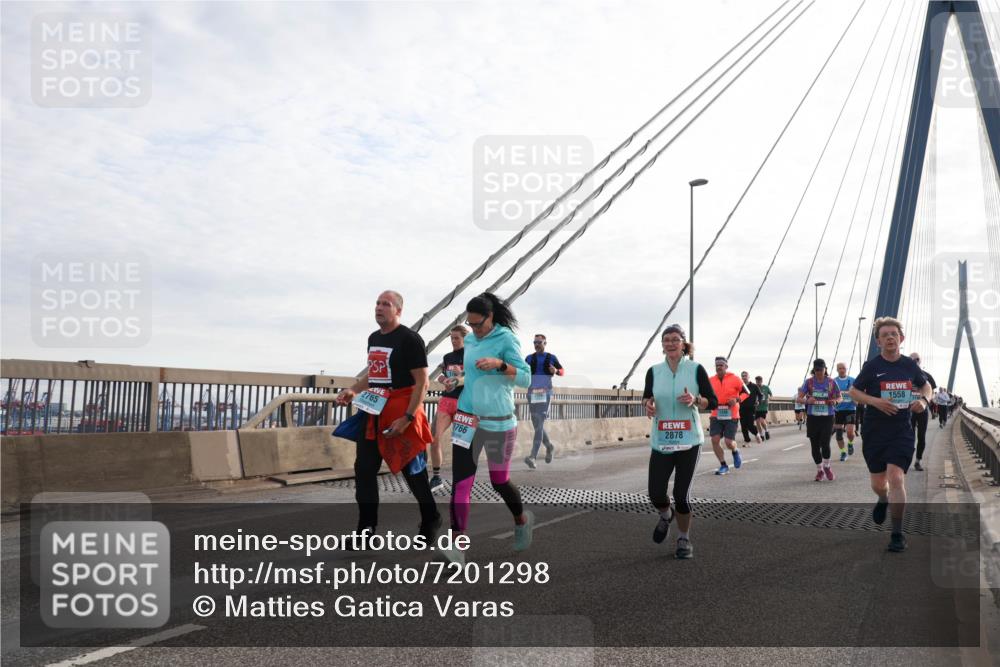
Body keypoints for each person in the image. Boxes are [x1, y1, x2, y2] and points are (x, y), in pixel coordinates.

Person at [335, 290, 441, 541]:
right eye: (377, 303)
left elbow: (422, 383)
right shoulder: (373, 338)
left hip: (401, 413)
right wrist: (353, 390)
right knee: (364, 470)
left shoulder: (410, 339)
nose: (379, 307)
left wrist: (407, 418)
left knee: (413, 473)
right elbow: (374, 374)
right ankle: (366, 530)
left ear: (398, 311)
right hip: (374, 414)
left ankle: (431, 518)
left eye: (386, 304)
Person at [445, 293, 534, 565]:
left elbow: (526, 378)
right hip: (467, 418)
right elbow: (472, 375)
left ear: (490, 317)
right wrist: (457, 380)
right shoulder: (471, 340)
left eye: (479, 325)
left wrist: (500, 365)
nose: (474, 331)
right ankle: (457, 546)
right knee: (461, 483)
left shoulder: (506, 339)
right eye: (470, 325)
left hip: (498, 422)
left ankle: (521, 520)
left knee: (499, 481)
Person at [848, 316, 932, 553]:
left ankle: (897, 533)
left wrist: (924, 401)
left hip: (901, 431)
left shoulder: (909, 365)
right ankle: (883, 499)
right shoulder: (872, 367)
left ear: (901, 338)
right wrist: (876, 402)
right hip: (875, 432)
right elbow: (853, 392)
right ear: (878, 341)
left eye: (893, 334)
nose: (890, 338)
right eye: (884, 335)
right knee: (879, 483)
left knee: (896, 478)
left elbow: (926, 386)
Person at [642, 324, 718, 559]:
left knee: (681, 495)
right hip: (662, 440)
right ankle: (666, 516)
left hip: (689, 441)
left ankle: (683, 539)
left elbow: (712, 401)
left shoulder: (696, 369)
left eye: (675, 339)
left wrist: (695, 399)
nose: (671, 343)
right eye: (666, 340)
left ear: (684, 344)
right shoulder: (653, 371)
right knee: (655, 493)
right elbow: (647, 396)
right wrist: (648, 404)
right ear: (662, 345)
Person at [430, 325, 468, 490]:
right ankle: (436, 477)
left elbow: (467, 376)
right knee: (434, 438)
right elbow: (443, 375)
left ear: (465, 339)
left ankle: (461, 480)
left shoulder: (470, 356)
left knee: (460, 445)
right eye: (451, 338)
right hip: (446, 401)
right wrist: (442, 379)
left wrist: (456, 380)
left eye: (456, 338)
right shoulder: (447, 357)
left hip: (463, 403)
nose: (453, 341)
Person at [524, 334, 565, 469]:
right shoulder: (529, 358)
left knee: (540, 423)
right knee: (537, 426)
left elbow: (562, 371)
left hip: (545, 394)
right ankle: (549, 446)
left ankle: (532, 457)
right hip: (532, 394)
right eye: (534, 342)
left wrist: (556, 371)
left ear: (545, 343)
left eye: (539, 342)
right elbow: (523, 372)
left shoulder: (551, 357)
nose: (536, 344)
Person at [798, 360, 840, 481]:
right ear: (814, 370)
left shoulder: (831, 382)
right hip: (813, 417)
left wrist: (835, 401)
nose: (819, 372)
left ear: (825, 369)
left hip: (828, 417)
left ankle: (827, 466)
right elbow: (799, 399)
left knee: (825, 442)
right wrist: (807, 401)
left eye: (821, 370)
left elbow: (840, 397)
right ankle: (820, 470)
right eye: (816, 370)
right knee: (815, 445)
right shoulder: (809, 382)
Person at [708, 356, 747, 475]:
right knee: (715, 440)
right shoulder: (710, 380)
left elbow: (747, 392)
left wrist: (738, 399)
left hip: (732, 413)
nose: (719, 367)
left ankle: (735, 450)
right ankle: (723, 465)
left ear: (726, 366)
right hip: (716, 412)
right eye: (717, 365)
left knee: (729, 442)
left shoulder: (735, 379)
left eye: (721, 365)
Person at [907, 352, 937, 471]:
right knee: (909, 436)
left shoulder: (927, 376)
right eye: (911, 359)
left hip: (922, 410)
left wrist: (926, 401)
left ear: (920, 361)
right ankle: (907, 459)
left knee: (921, 436)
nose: (914, 361)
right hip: (909, 409)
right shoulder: (905, 374)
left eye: (917, 359)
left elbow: (932, 392)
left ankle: (918, 461)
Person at [832, 362, 858, 462]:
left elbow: (857, 393)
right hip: (838, 410)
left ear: (846, 369)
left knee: (850, 433)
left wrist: (855, 399)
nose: (842, 370)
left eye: (843, 368)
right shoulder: (834, 381)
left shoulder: (852, 380)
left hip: (850, 409)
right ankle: (843, 452)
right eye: (840, 368)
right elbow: (830, 394)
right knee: (838, 434)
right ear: (837, 370)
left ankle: (850, 443)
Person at [739, 371, 762, 445]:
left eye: (745, 376)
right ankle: (747, 441)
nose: (744, 377)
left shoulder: (754, 386)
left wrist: (758, 401)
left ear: (748, 377)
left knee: (750, 425)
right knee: (743, 426)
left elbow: (760, 395)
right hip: (741, 408)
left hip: (751, 408)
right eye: (742, 376)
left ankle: (757, 434)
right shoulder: (740, 386)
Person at [754, 375, 772, 440]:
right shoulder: (754, 387)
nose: (757, 383)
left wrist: (768, 399)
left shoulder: (766, 387)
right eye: (756, 381)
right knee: (757, 422)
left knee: (761, 420)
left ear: (761, 381)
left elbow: (771, 395)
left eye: (759, 381)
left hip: (763, 407)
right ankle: (761, 434)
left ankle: (767, 431)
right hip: (756, 408)